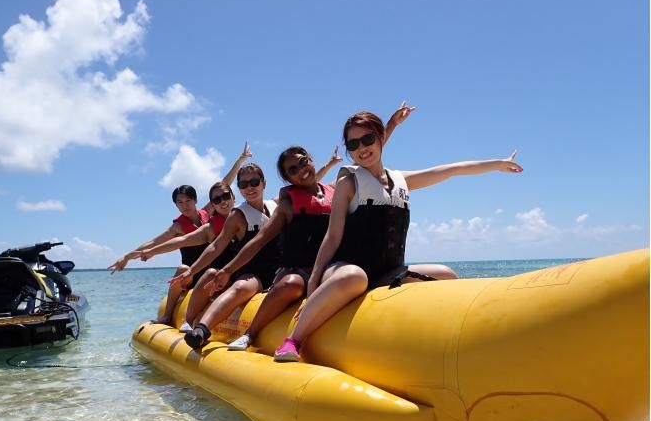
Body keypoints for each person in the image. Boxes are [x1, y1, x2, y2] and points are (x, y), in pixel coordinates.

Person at [273, 109, 523, 362]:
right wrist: (314, 281)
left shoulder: (401, 180)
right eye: (353, 144)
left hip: (388, 271)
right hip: (344, 269)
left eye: (368, 139)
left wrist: (497, 165)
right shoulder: (349, 182)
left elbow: (451, 170)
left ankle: (459, 341)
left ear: (381, 138)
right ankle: (293, 340)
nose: (362, 148)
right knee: (355, 276)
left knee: (446, 274)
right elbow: (333, 236)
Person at [212, 103, 414, 351]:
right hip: (300, 269)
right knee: (292, 284)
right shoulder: (288, 202)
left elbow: (368, 157)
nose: (301, 171)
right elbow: (260, 240)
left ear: (311, 161)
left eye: (303, 163)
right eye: (293, 170)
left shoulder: (334, 190)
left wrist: (391, 125)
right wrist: (227, 270)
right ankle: (251, 334)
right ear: (287, 178)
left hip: (333, 266)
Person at [171, 148, 348, 349]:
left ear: (264, 183)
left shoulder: (277, 203)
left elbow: (317, 178)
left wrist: (388, 128)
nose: (250, 187)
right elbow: (225, 244)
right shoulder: (240, 215)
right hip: (256, 270)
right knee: (242, 287)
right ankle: (202, 328)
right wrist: (203, 270)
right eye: (244, 184)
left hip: (299, 266)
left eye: (255, 182)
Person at [108, 143, 252, 325]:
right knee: (183, 269)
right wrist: (129, 256)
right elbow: (155, 242)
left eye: (188, 200)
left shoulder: (209, 212)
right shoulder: (178, 227)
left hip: (215, 265)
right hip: (193, 271)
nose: (185, 205)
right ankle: (168, 313)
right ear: (176, 205)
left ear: (196, 200)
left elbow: (225, 185)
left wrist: (240, 161)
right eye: (180, 202)